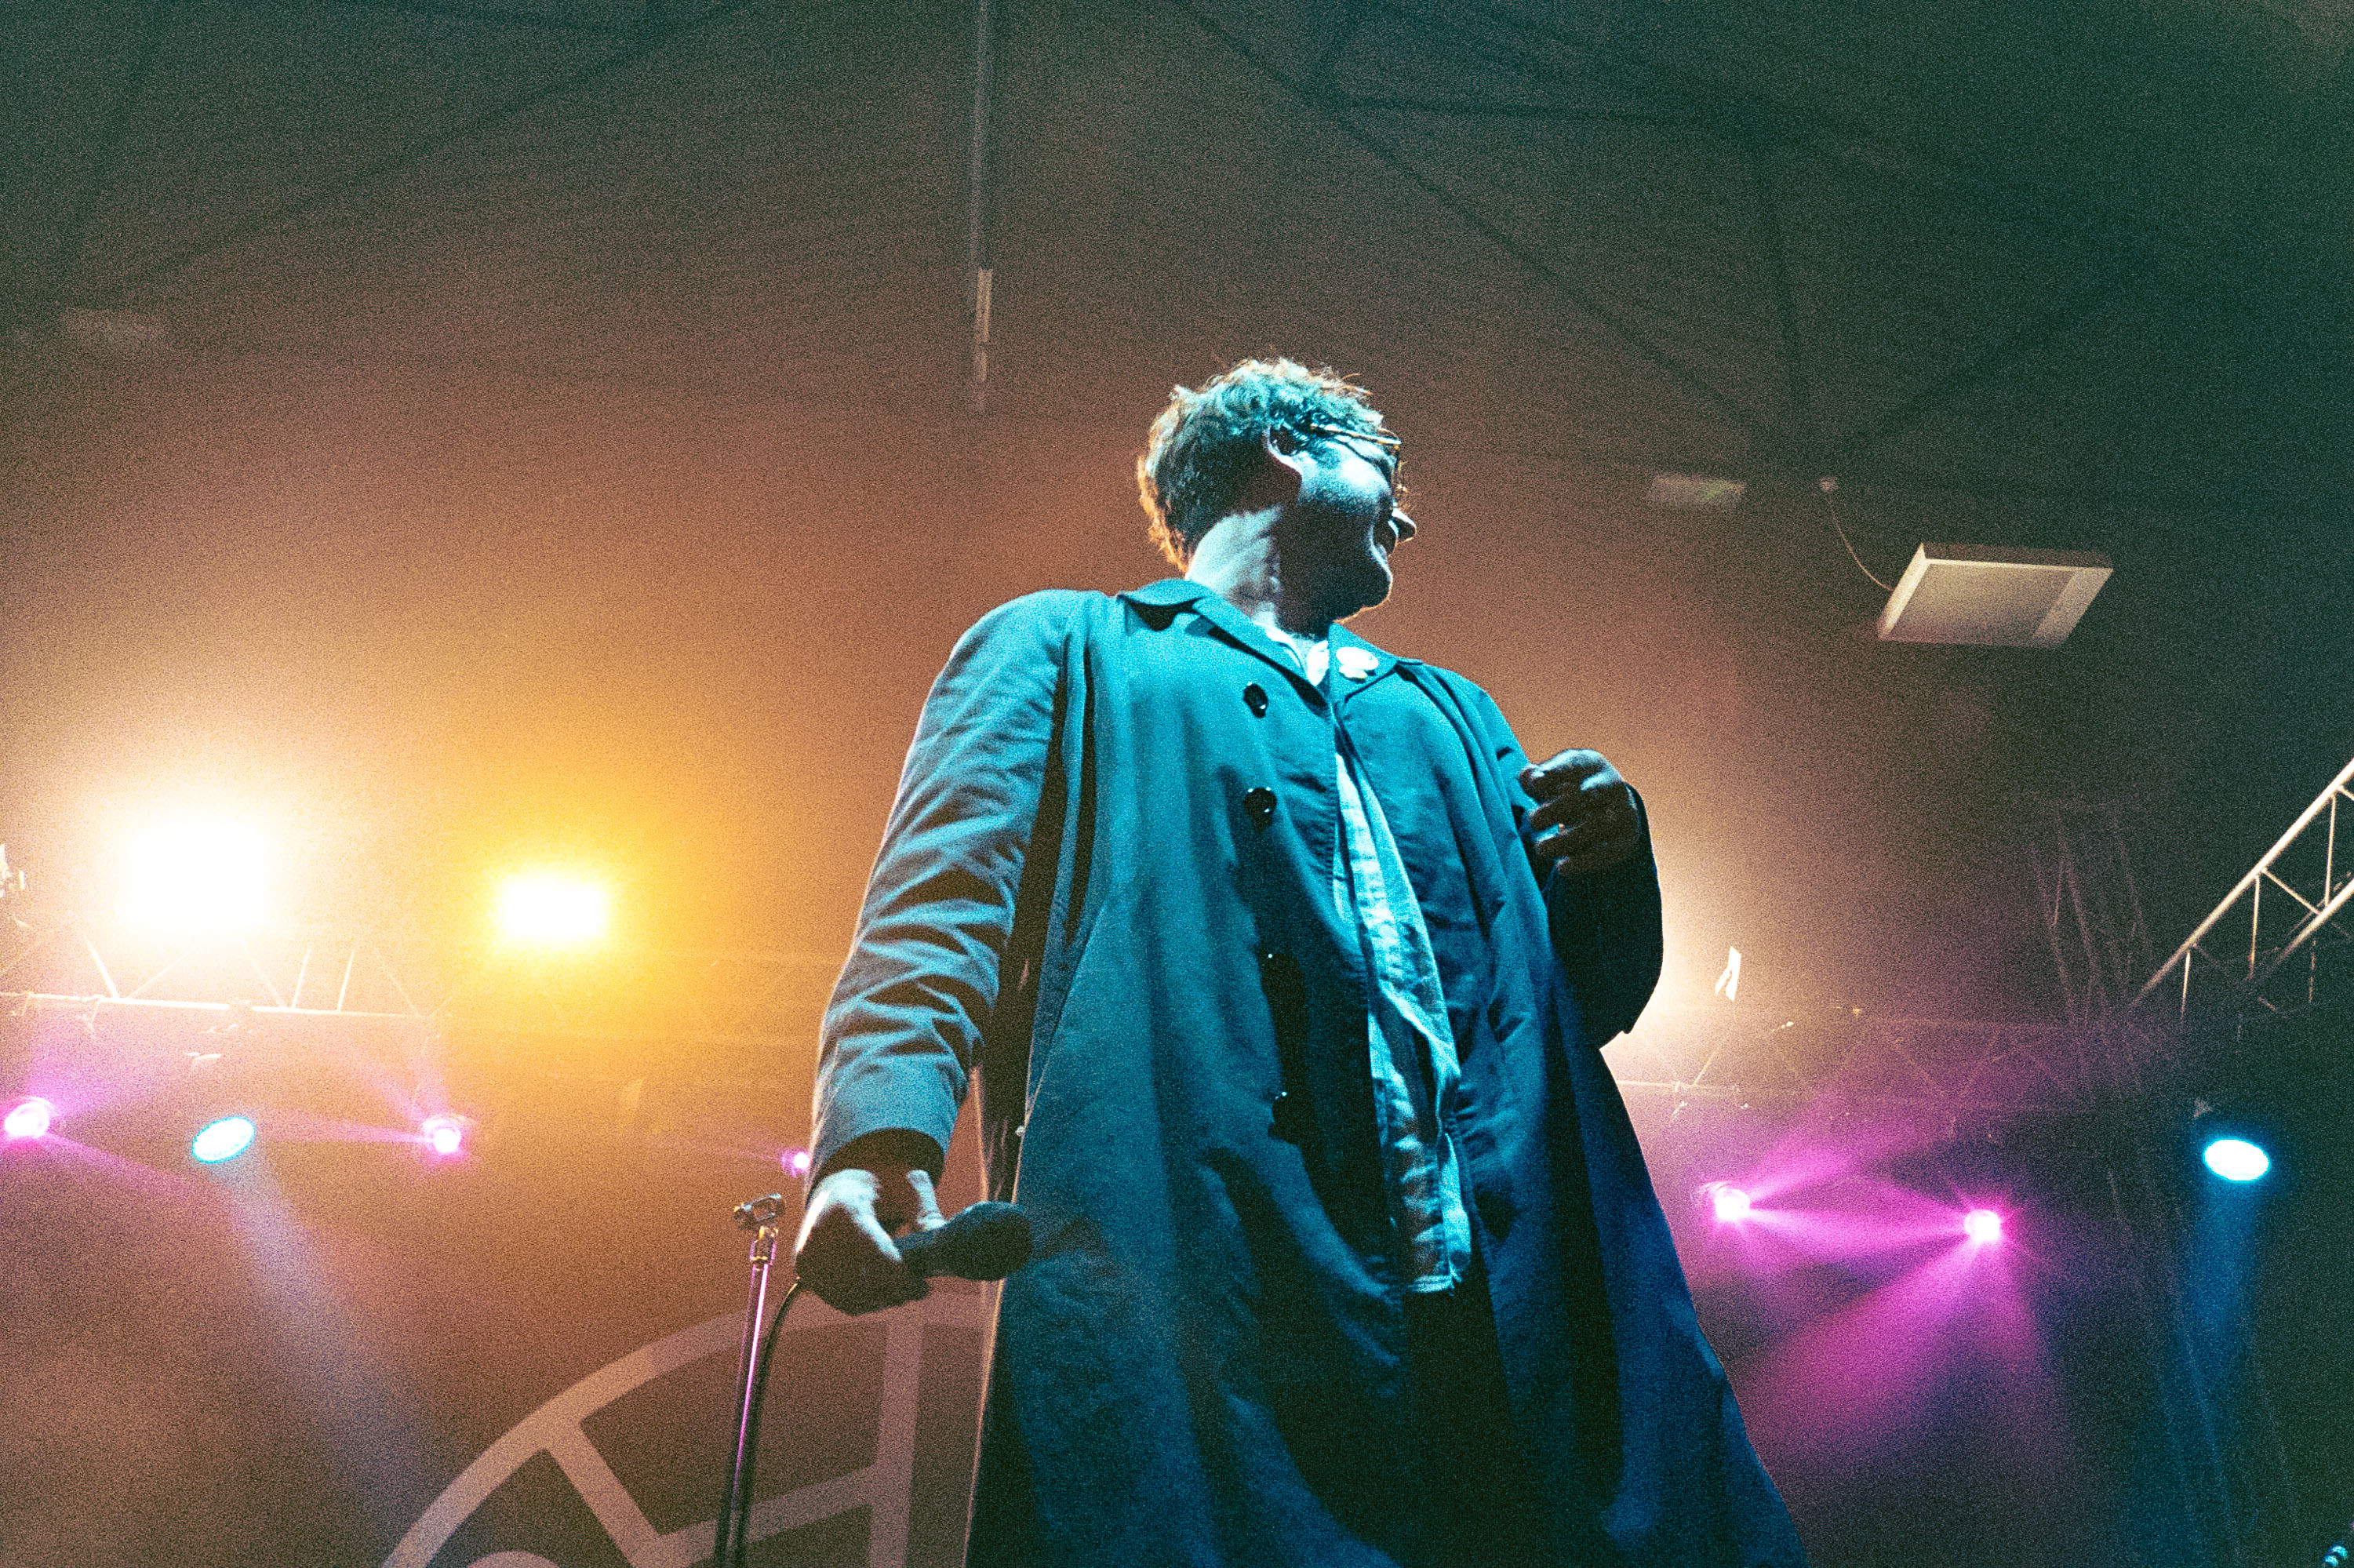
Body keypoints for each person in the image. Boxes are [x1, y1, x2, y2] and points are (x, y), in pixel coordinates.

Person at [796, 358, 1806, 1567]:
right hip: (1213, 1281)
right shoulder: (1069, 647)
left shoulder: (1450, 710)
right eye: (1383, 470)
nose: (1409, 513)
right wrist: (874, 1137)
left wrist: (1609, 867)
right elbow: (939, 898)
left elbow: (1569, 1012)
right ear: (1284, 453)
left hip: (1504, 1299)